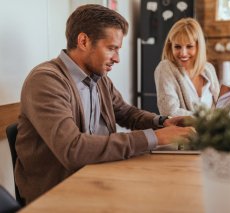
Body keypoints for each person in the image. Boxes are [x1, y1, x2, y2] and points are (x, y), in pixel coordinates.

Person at [15, 4, 194, 204]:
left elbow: (126, 112)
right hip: (58, 193)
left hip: (97, 174)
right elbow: (73, 149)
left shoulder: (99, 78)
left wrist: (161, 121)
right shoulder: (46, 81)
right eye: (111, 48)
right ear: (83, 41)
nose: (117, 58)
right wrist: (155, 137)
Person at [154, 18, 220, 116]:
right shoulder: (165, 68)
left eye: (189, 46)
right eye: (177, 47)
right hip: (182, 132)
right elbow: (169, 112)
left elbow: (220, 109)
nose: (183, 53)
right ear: (170, 46)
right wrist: (207, 120)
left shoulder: (209, 69)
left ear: (199, 46)